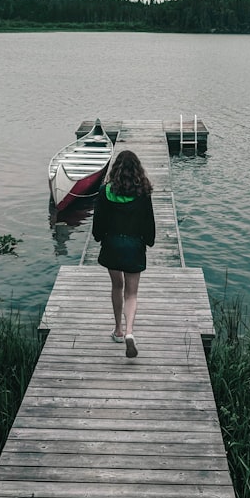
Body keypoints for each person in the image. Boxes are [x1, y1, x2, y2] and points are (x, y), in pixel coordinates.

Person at [92, 149, 155, 358]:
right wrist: (148, 241)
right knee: (132, 293)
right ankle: (129, 333)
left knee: (116, 286)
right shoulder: (143, 193)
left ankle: (117, 329)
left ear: (116, 170)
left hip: (112, 245)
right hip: (134, 247)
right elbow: (149, 223)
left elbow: (98, 221)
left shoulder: (105, 191)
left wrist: (98, 236)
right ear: (137, 170)